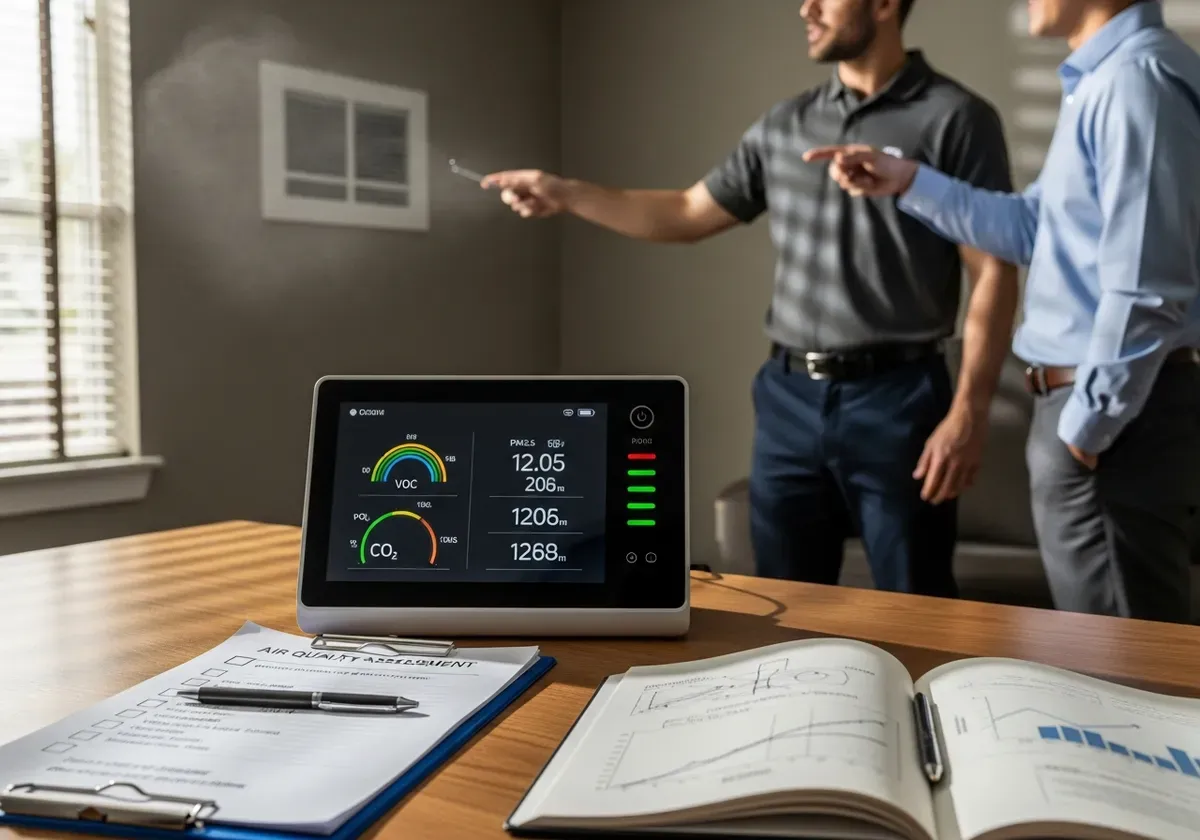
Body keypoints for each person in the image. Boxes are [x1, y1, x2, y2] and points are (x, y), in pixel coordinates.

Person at [480, 0, 1019, 597]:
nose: (805, 8)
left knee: (916, 605)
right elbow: (687, 212)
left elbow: (992, 269)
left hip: (900, 402)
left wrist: (968, 414)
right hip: (788, 399)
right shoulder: (785, 125)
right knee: (785, 603)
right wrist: (566, 193)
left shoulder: (957, 118)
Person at [806, 0, 1200, 622]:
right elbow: (1032, 227)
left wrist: (1087, 430)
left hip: (1107, 425)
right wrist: (908, 180)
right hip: (1088, 418)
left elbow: (1148, 286)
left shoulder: (1134, 83)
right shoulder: (1102, 80)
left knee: (1128, 675)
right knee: (1106, 665)